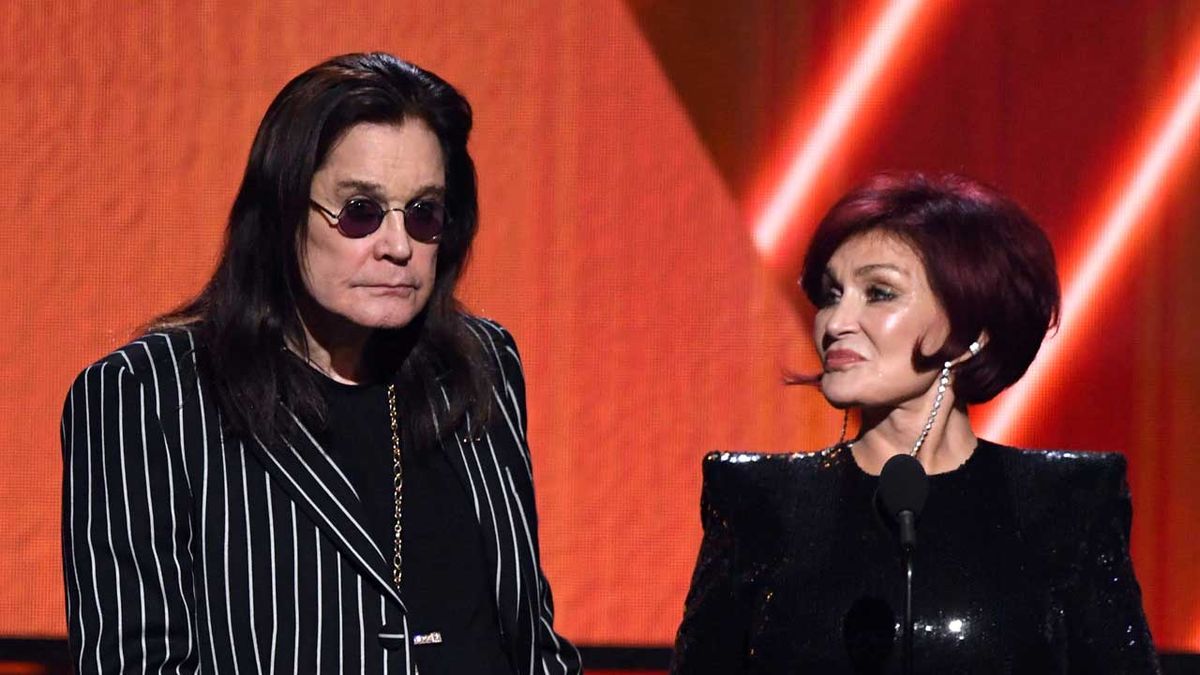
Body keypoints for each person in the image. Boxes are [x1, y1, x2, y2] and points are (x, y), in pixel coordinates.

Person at [61, 52, 581, 675]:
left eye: (424, 214)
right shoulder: (148, 396)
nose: (396, 247)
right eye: (360, 211)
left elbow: (530, 642)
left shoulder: (479, 365)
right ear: (283, 215)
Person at [671, 172, 1160, 673]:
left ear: (974, 330)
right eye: (831, 294)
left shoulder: (1066, 503)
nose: (836, 321)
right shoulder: (757, 499)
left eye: (879, 292)